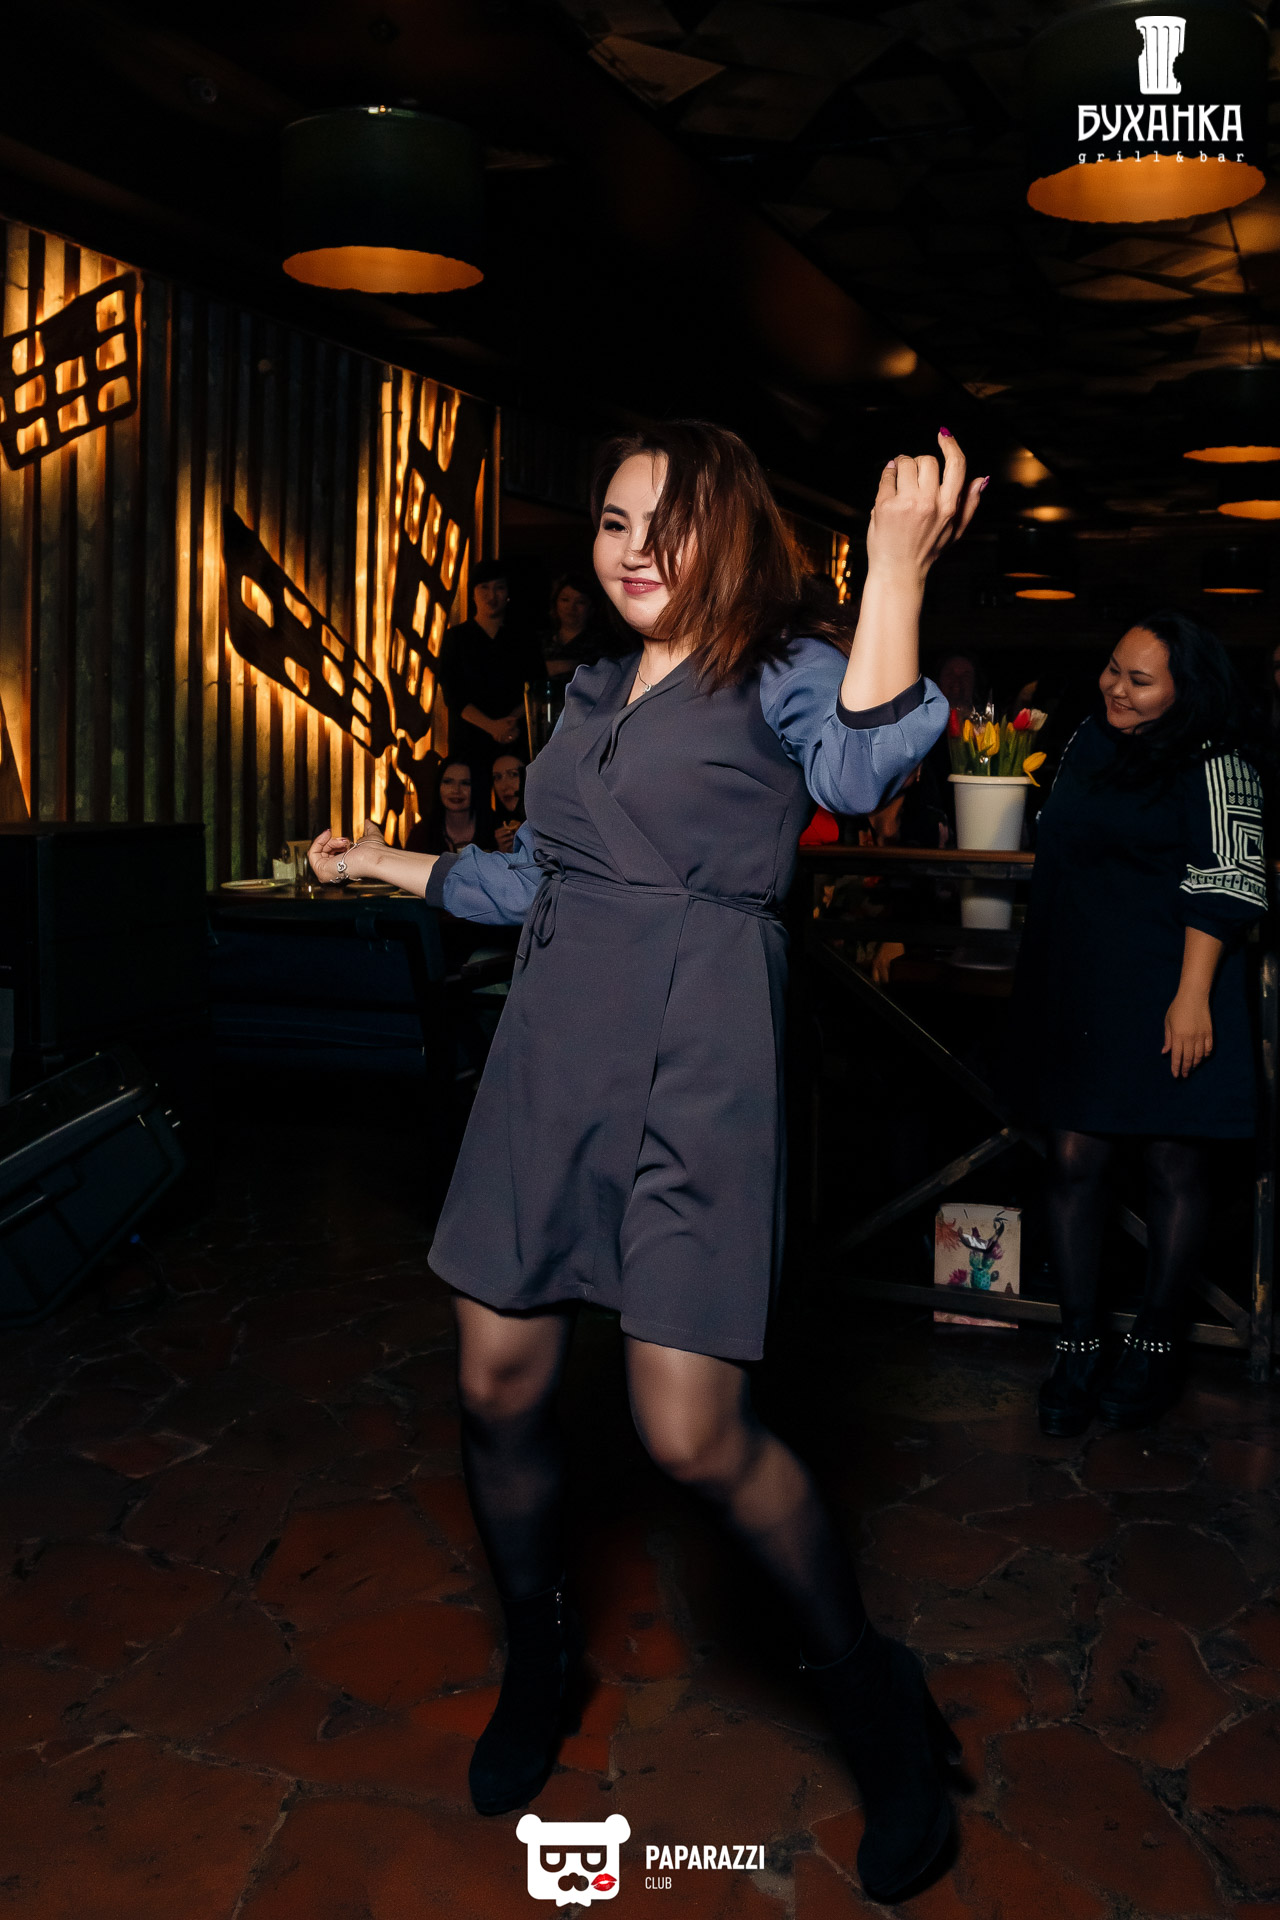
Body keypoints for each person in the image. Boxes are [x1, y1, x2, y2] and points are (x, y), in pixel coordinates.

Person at [309, 421, 984, 1904]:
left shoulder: (784, 669)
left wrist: (892, 570)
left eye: (664, 522)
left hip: (701, 1067)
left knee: (688, 1430)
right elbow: (530, 877)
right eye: (613, 522)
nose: (632, 550)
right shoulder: (590, 690)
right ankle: (539, 1660)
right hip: (549, 1058)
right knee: (497, 1381)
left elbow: (861, 767)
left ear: (726, 531)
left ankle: (876, 1703)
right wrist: (378, 862)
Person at [1013, 612, 1267, 1438]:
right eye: (1113, 669)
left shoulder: (1218, 760)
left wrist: (1192, 998)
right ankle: (1079, 1342)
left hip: (1173, 986)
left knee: (1171, 1163)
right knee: (1072, 1159)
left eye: (1139, 680)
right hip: (1085, 988)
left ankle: (1156, 1343)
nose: (1115, 688)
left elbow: (1229, 879)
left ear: (1185, 690)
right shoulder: (1088, 740)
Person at [436, 560, 540, 771]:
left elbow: (536, 686)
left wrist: (510, 722)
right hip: (468, 739)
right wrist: (491, 726)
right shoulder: (456, 638)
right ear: (473, 593)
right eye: (484, 587)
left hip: (514, 737)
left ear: (508, 593)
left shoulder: (523, 638)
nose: (492, 595)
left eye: (499, 587)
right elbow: (453, 694)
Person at [406, 757, 495, 856]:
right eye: (448, 782)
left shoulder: (495, 829)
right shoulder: (422, 832)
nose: (456, 790)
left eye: (465, 783)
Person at [491, 751, 525, 856]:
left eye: (513, 774)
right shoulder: (491, 827)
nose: (504, 786)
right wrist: (504, 854)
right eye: (497, 777)